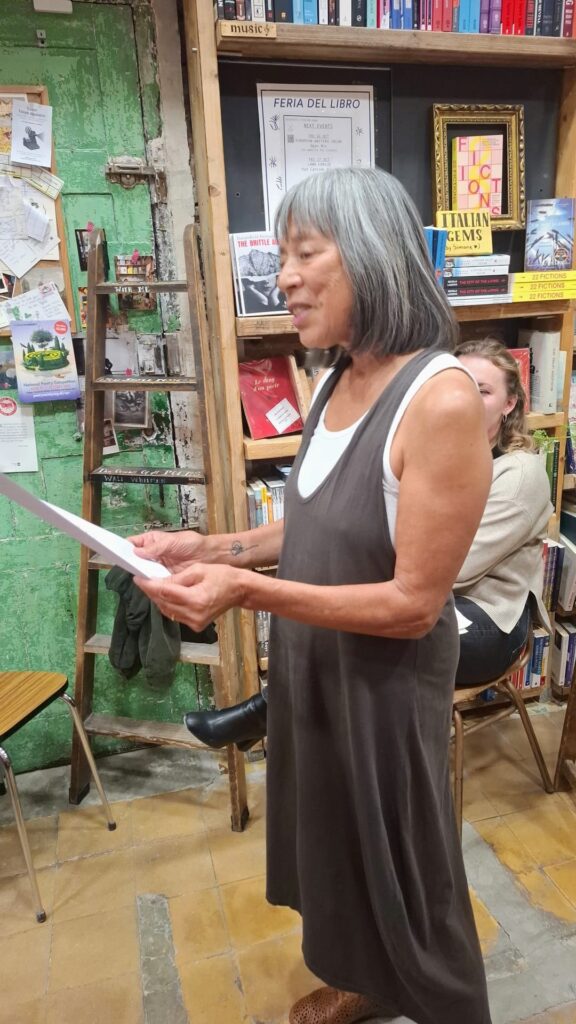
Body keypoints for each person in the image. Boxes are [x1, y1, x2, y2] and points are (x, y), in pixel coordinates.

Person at [132, 167, 494, 1024]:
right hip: (317, 665)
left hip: (384, 684)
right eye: (280, 255)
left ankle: (447, 1004)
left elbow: (413, 602)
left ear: (368, 258)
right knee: (336, 842)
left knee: (408, 868)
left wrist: (246, 592)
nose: (283, 276)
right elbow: (318, 522)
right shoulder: (336, 377)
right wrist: (212, 545)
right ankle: (365, 980)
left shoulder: (439, 400)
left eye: (304, 253)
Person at [183, 335, 553, 745]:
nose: (467, 399)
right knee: (348, 631)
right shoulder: (427, 453)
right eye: (461, 385)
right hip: (428, 600)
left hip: (487, 618)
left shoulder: (519, 474)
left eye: (483, 391)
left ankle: (270, 713)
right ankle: (284, 720)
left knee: (364, 643)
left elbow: (454, 569)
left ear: (509, 404)